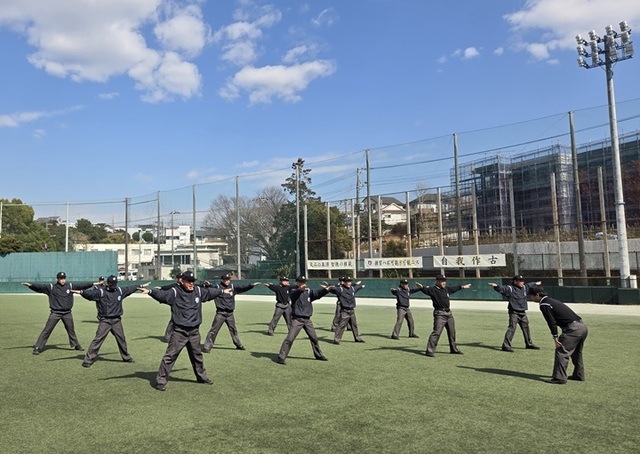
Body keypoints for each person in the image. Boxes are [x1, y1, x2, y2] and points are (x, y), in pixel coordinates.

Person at [139, 270, 231, 391]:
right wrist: (150, 292)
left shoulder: (198, 291)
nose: (191, 284)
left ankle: (202, 377)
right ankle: (161, 381)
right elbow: (162, 295)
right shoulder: (175, 292)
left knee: (197, 356)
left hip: (194, 332)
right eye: (189, 281)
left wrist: (222, 291)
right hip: (179, 332)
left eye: (193, 281)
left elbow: (210, 293)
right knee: (170, 357)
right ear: (182, 281)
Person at [74, 275, 148, 367]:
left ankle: (126, 357)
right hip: (105, 320)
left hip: (117, 320)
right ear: (108, 283)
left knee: (121, 339)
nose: (113, 285)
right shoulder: (101, 292)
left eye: (114, 283)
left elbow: (130, 288)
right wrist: (81, 292)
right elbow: (90, 294)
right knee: (98, 339)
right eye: (111, 283)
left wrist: (140, 286)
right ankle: (88, 360)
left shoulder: (120, 291)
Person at [22, 272, 98, 355]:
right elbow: (40, 287)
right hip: (55, 313)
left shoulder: (70, 286)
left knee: (71, 330)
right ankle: (38, 347)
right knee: (47, 330)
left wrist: (93, 283)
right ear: (57, 279)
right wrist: (30, 285)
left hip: (67, 313)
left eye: (64, 278)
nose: (62, 280)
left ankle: (76, 345)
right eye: (61, 278)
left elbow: (82, 285)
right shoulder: (51, 287)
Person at [528, 286, 588, 384]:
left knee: (561, 351)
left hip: (573, 329)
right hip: (582, 326)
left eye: (531, 295)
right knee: (576, 353)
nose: (530, 298)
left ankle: (559, 378)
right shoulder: (551, 300)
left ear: (537, 295)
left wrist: (555, 337)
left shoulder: (544, 304)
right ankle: (579, 375)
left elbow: (551, 322)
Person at [276, 276, 329, 365]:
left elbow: (317, 294)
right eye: (301, 282)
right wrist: (300, 289)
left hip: (307, 320)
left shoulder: (308, 291)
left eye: (304, 282)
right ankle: (281, 357)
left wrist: (325, 290)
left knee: (314, 338)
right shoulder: (293, 290)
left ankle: (318, 355)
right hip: (297, 319)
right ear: (297, 282)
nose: (304, 283)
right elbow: (293, 295)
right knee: (290, 338)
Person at [202, 273, 260, 352]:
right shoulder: (218, 287)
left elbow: (243, 287)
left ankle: (238, 345)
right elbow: (211, 288)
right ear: (222, 280)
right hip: (220, 313)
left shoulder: (233, 287)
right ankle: (207, 346)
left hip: (230, 314)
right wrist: (208, 285)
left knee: (233, 330)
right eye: (225, 280)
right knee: (214, 330)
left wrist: (251, 285)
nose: (227, 281)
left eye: (228, 279)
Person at [418, 274, 470, 356]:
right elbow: (425, 290)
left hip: (449, 314)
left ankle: (453, 349)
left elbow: (454, 288)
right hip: (439, 314)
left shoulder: (446, 289)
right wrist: (421, 287)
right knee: (436, 332)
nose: (444, 283)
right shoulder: (433, 290)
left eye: (444, 281)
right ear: (437, 281)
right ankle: (430, 351)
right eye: (442, 281)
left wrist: (462, 287)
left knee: (452, 332)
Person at [488, 275, 541, 352]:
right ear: (515, 282)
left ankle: (529, 344)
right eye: (520, 281)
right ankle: (506, 345)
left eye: (523, 281)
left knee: (526, 328)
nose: (522, 282)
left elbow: (530, 284)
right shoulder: (510, 288)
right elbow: (502, 288)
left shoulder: (524, 288)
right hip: (514, 312)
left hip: (523, 312)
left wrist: (536, 283)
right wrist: (496, 286)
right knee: (512, 328)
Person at [331, 276, 366, 344]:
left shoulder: (352, 288)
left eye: (350, 281)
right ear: (344, 282)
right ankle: (337, 339)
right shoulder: (340, 289)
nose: (349, 283)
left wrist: (361, 286)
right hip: (345, 311)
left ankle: (357, 338)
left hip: (352, 310)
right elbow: (333, 289)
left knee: (354, 325)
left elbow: (358, 288)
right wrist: (328, 287)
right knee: (342, 325)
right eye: (347, 282)